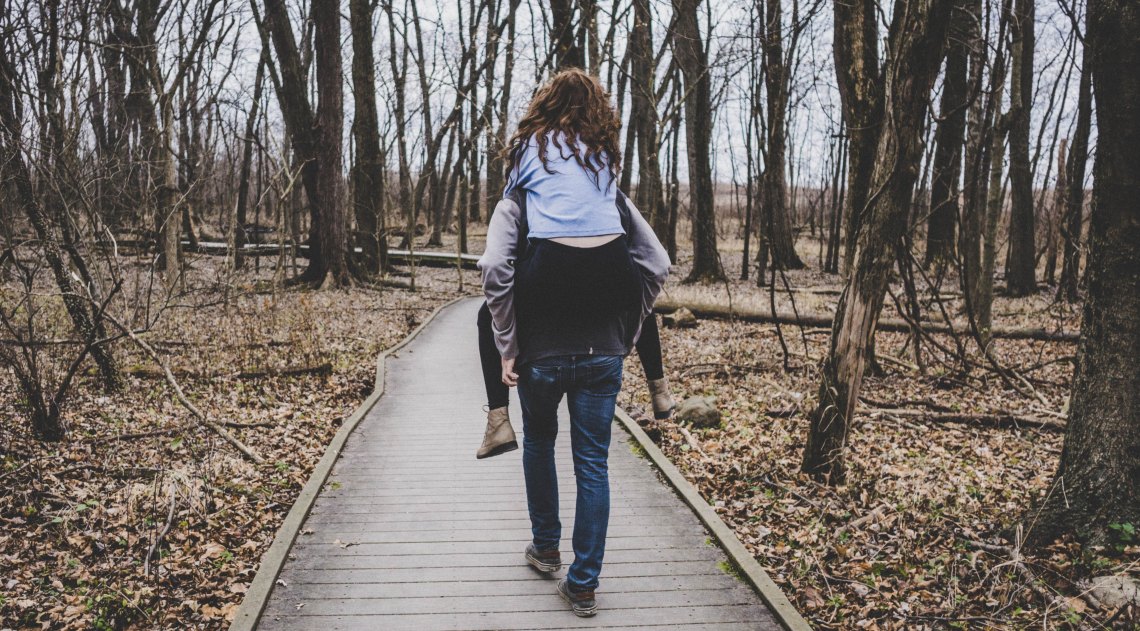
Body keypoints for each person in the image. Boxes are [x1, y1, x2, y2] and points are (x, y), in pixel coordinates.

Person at [478, 68, 671, 618]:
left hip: (540, 352)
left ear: (541, 110)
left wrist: (508, 346)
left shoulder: (522, 174)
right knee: (593, 463)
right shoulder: (606, 172)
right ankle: (583, 584)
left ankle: (545, 549)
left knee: (539, 442)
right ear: (598, 116)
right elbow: (656, 263)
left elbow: (495, 264)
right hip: (602, 353)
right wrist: (625, 335)